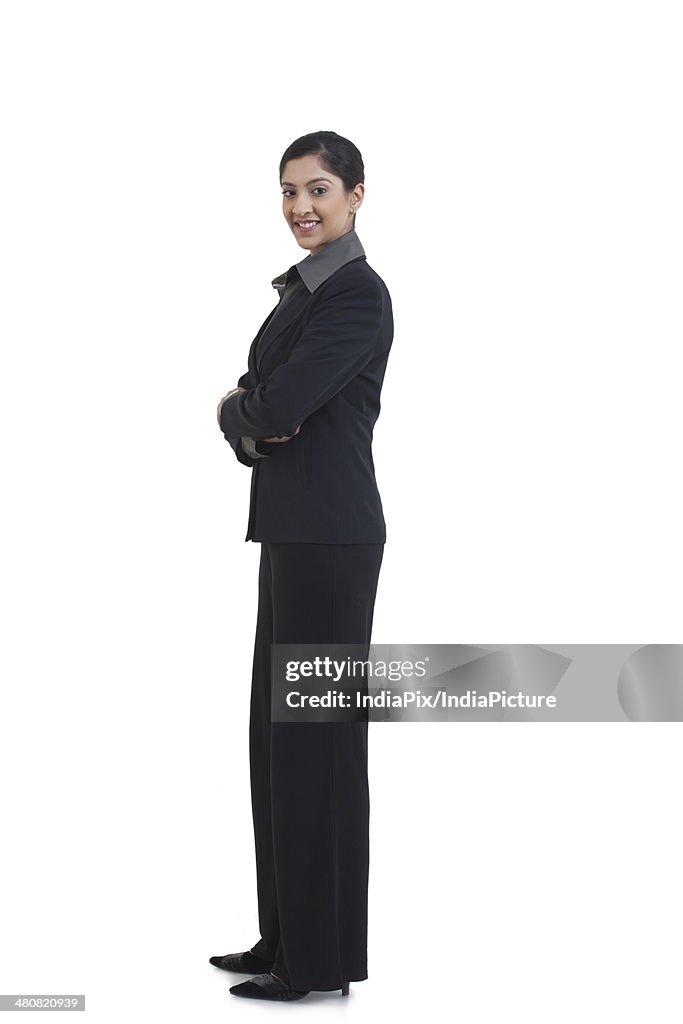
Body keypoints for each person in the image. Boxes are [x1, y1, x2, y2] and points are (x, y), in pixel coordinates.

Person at [211, 131, 394, 1002]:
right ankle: (283, 934)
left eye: (317, 189)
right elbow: (270, 412)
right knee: (274, 741)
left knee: (314, 746)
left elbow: (275, 404)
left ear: (357, 194)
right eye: (287, 192)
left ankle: (315, 962)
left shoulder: (356, 294)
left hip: (330, 539)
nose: (299, 207)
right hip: (293, 531)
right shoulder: (306, 292)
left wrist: (232, 410)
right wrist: (254, 415)